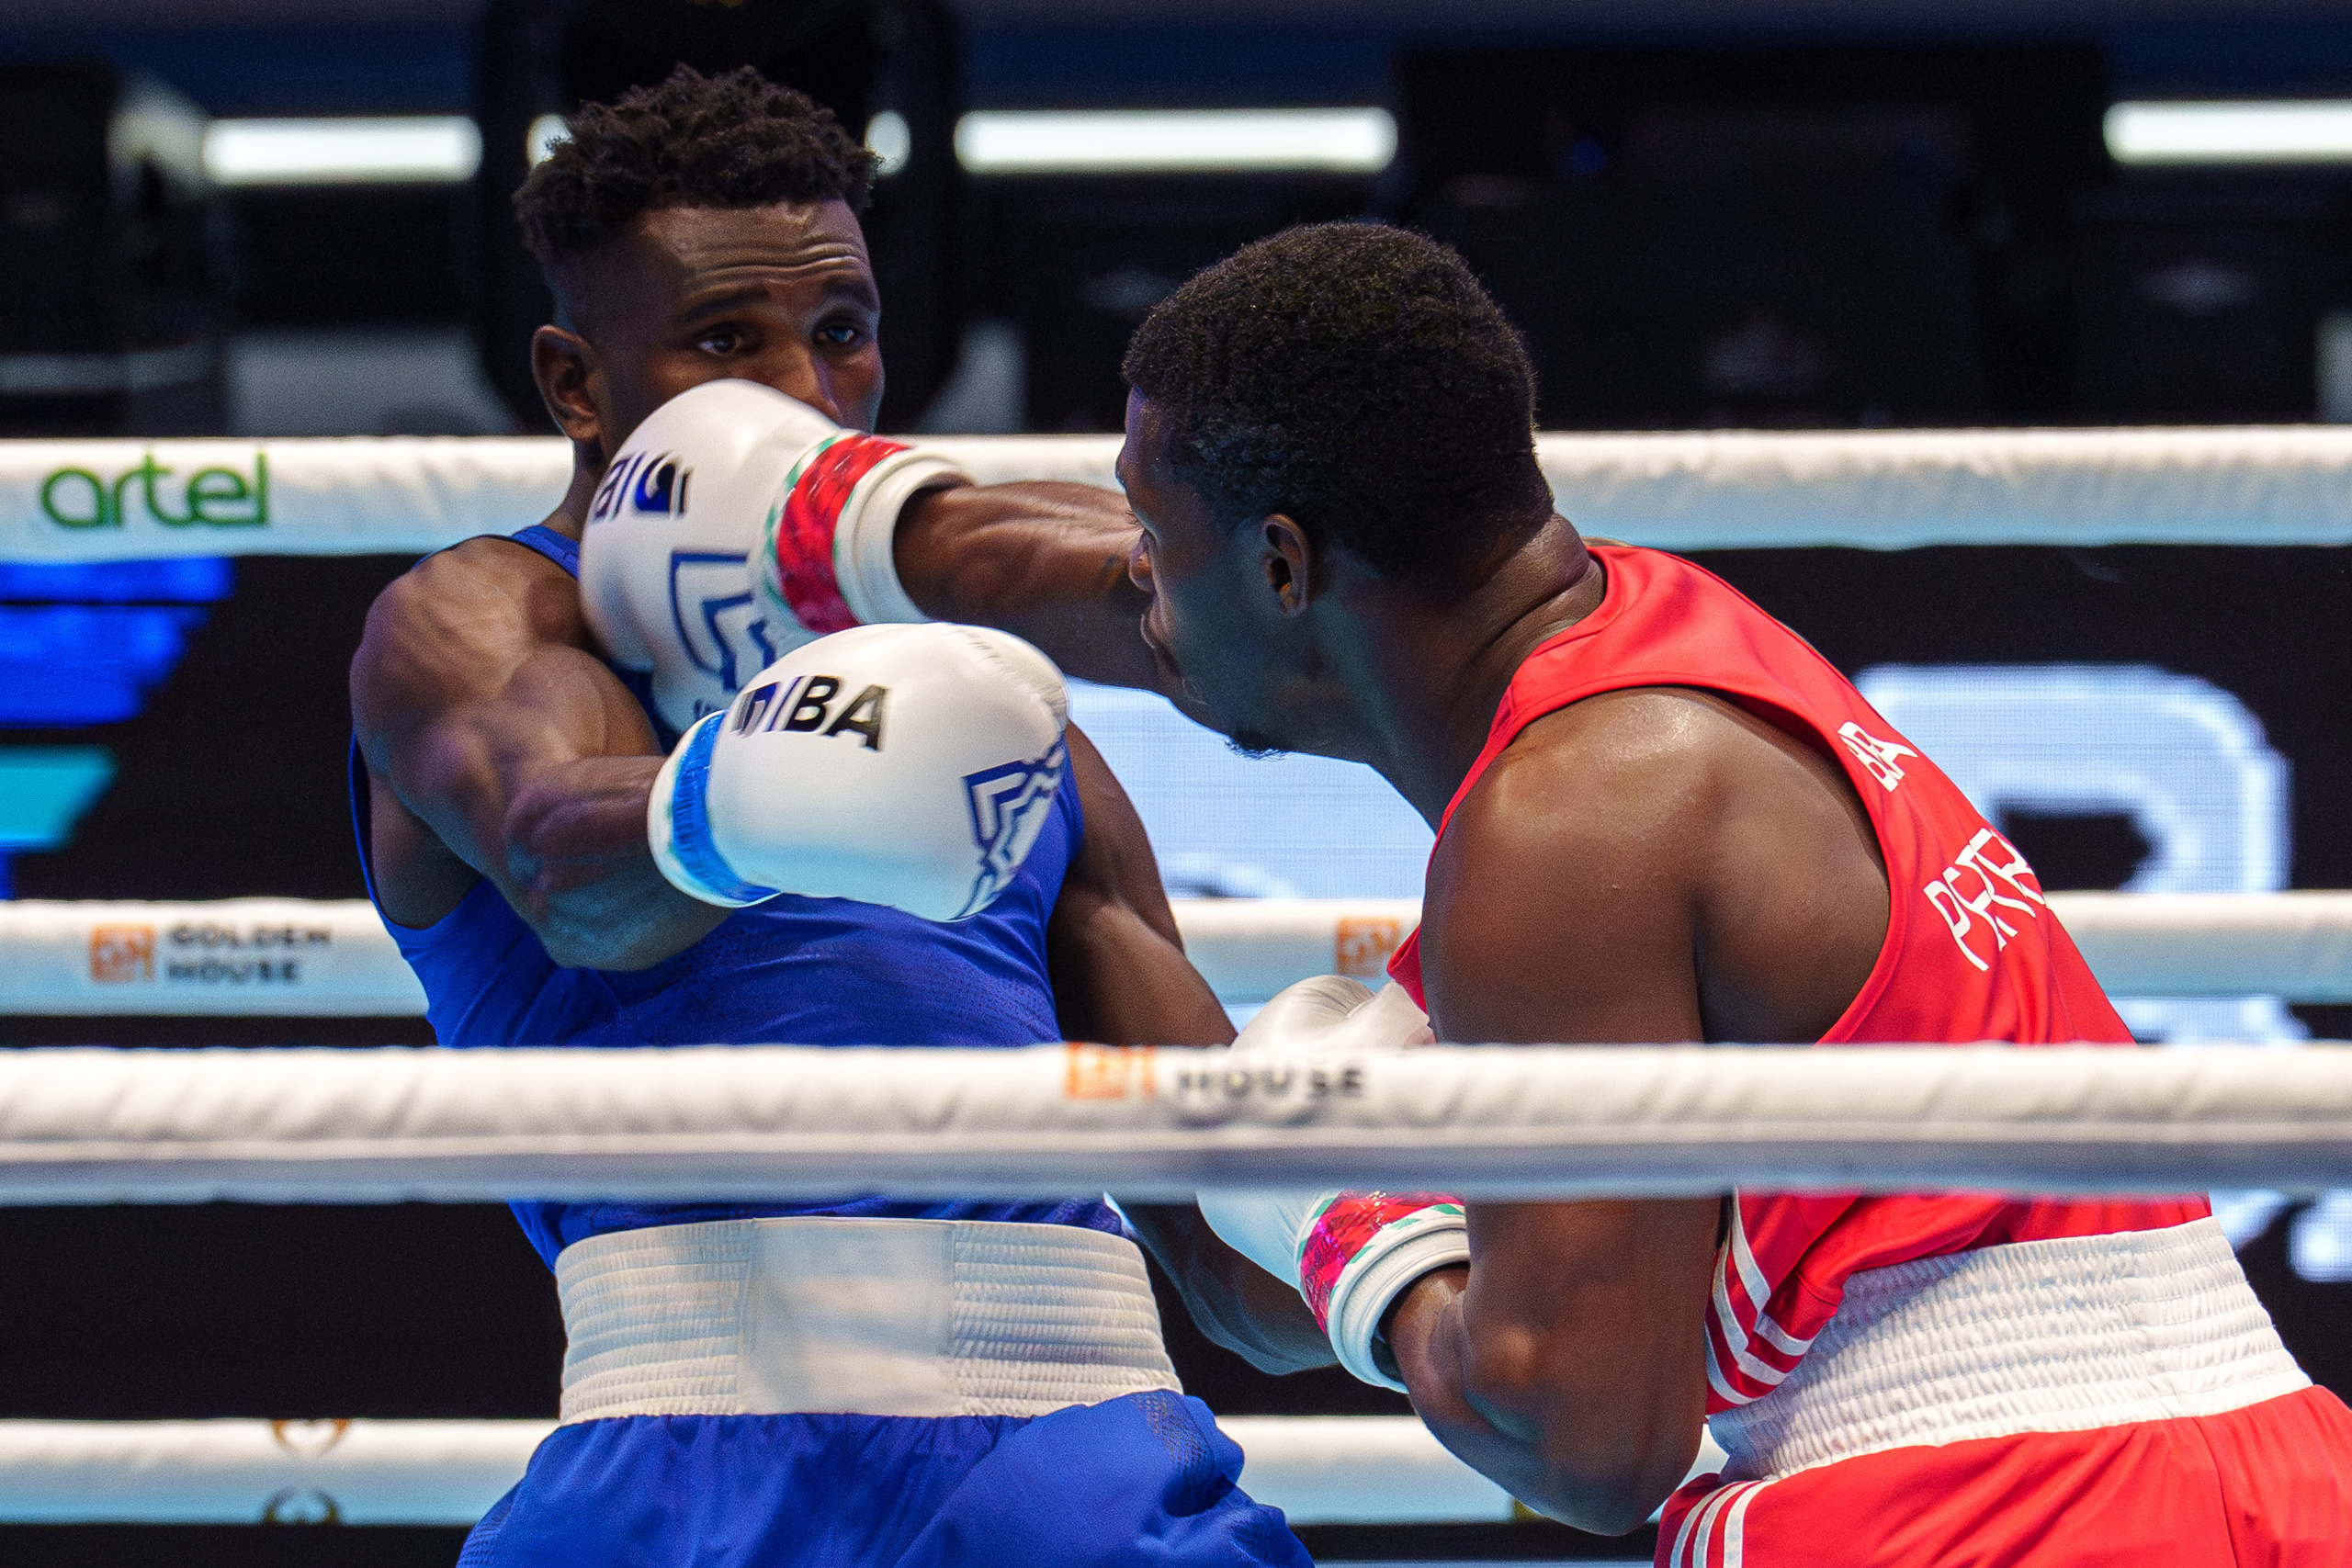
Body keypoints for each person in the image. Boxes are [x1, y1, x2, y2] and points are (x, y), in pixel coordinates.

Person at [790, 221, 2352, 1563]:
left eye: (1153, 535)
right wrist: (1065, 888)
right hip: (2260, 1474)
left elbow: (1584, 1441)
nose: (1133, 584)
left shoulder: (1568, 832)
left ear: (1282, 569)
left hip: (1992, 1512)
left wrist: (1354, 1233)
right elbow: (1257, 1288)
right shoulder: (1653, 652)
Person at [348, 65, 1317, 1568]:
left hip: (1084, 1463)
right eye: (727, 341)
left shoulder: (1009, 727)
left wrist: (1390, 1209)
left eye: (842, 334)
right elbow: (574, 871)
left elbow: (1227, 1260)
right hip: (682, 1463)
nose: (805, 395)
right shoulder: (482, 620)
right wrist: (811, 764)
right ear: (575, 383)